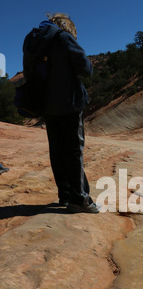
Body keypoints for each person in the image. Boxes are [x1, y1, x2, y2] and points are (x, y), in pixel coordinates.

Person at [23, 13, 100, 213]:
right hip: (70, 104)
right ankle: (80, 200)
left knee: (57, 152)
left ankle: (65, 195)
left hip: (47, 106)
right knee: (74, 151)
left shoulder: (35, 42)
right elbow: (86, 69)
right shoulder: (64, 39)